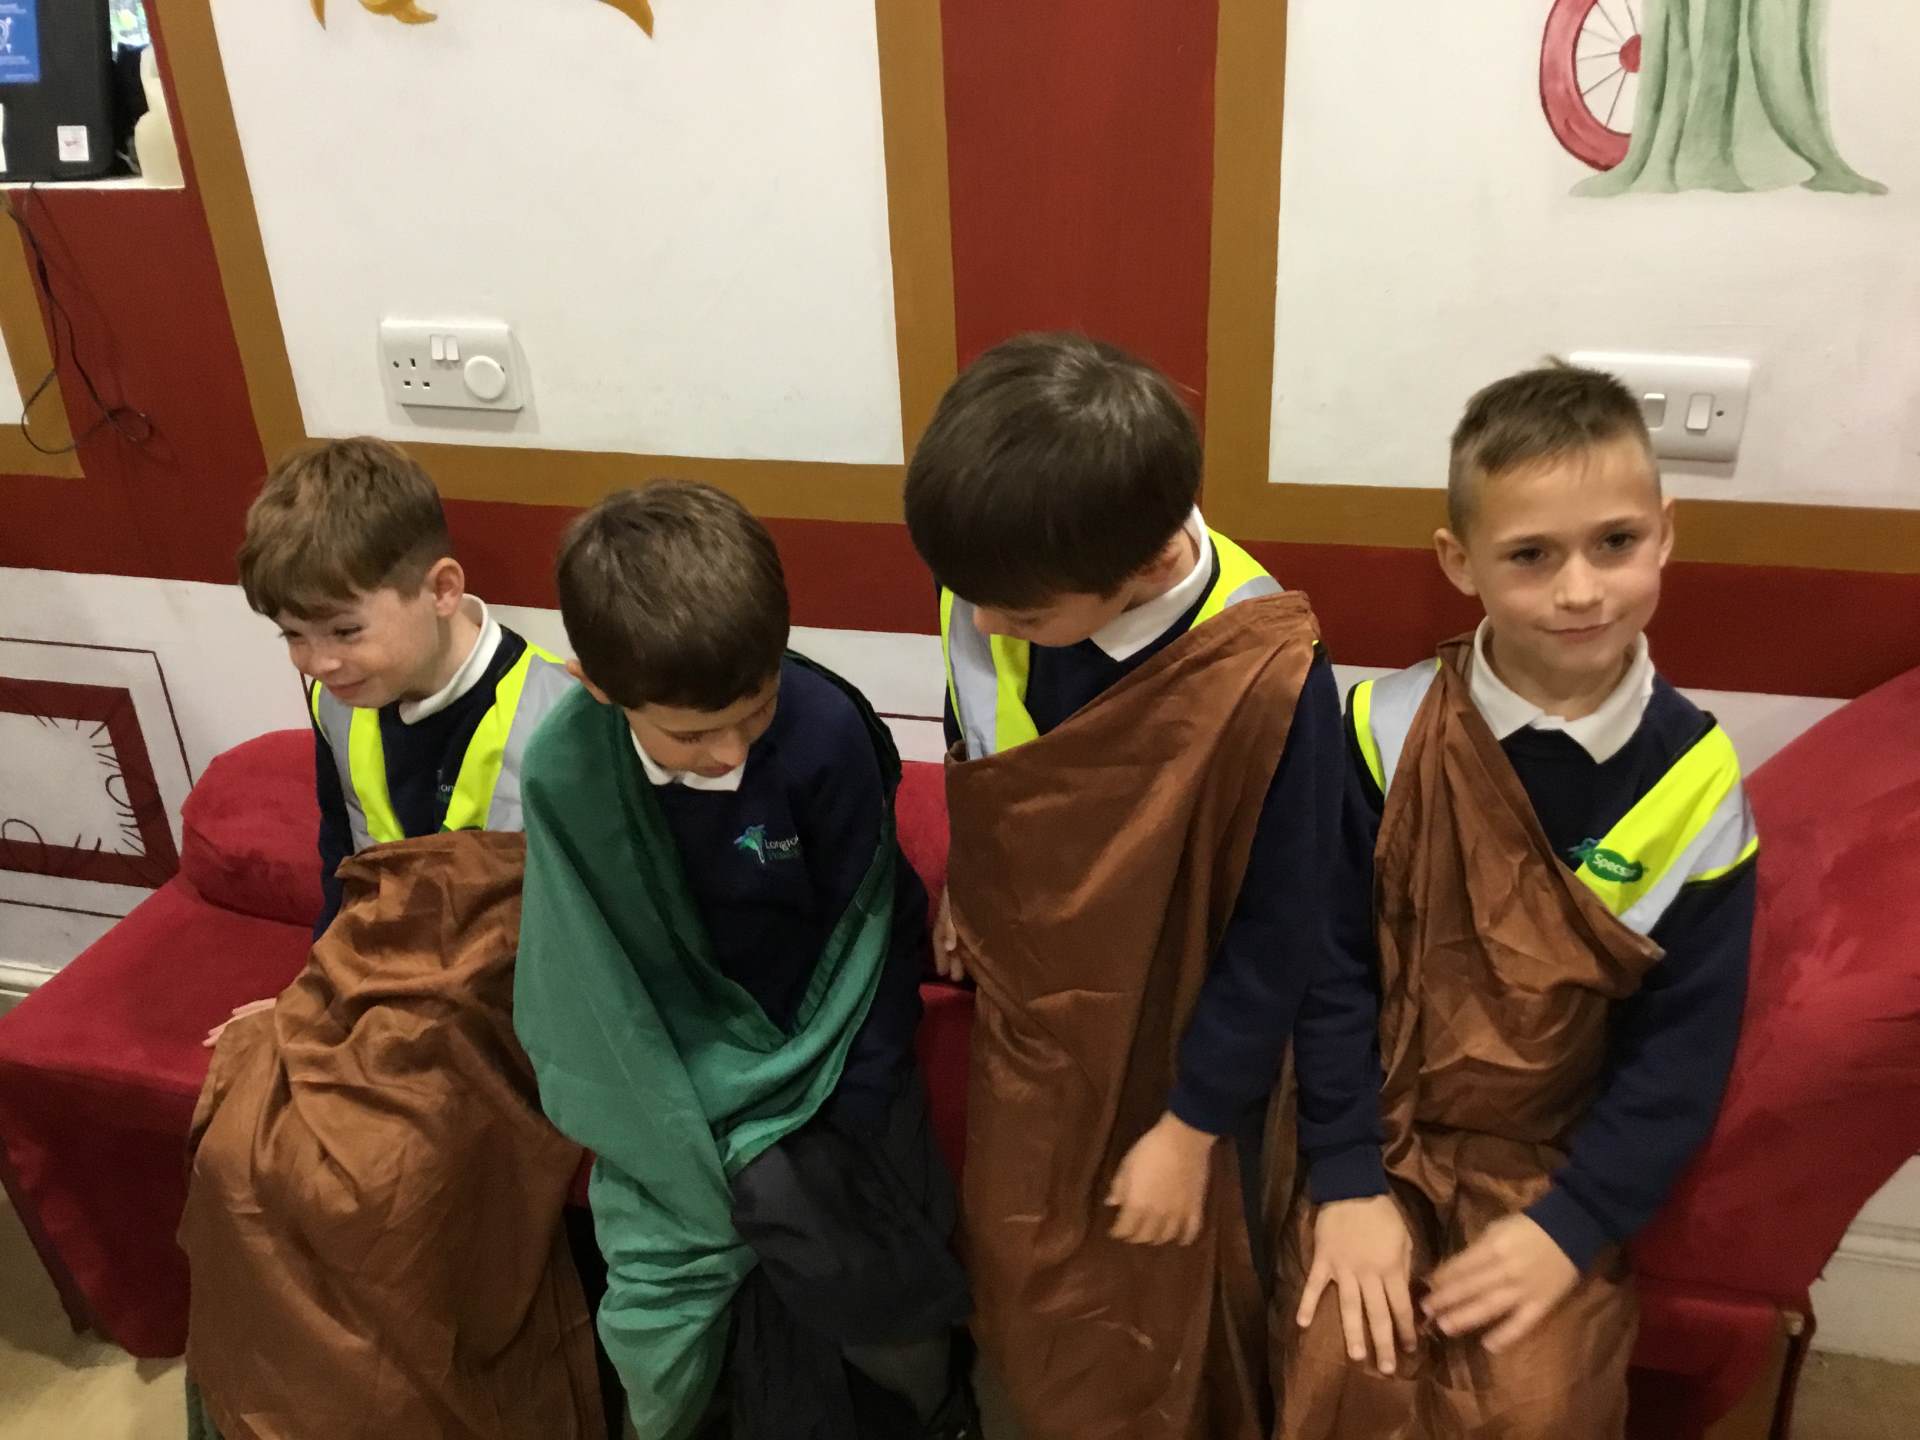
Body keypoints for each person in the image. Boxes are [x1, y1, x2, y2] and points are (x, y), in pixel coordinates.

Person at [905, 332, 1404, 1440]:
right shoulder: (997, 572)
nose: (983, 624)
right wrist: (967, 881)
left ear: (1142, 568)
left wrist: (1191, 1125)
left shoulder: (1264, 674)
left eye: (1023, 617)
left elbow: (1282, 934)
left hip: (1181, 1021)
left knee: (1154, 1308)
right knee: (1024, 1271)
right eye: (969, 596)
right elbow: (980, 742)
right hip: (1033, 1004)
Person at [1278, 363, 1756, 1438]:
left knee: (1538, 1402)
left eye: (1615, 542)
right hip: (1370, 1122)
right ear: (1461, 561)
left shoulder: (1696, 783)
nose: (1580, 591)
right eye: (1532, 555)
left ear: (1666, 534)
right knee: (1339, 1355)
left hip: (1551, 1155)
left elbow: (1684, 1043)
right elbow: (1329, 966)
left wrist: (1573, 1224)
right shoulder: (1382, 731)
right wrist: (1346, 1181)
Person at [512, 481, 975, 1440]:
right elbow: (584, 972)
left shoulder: (823, 729)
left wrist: (851, 1105)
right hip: (676, 1058)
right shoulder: (567, 766)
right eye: (689, 735)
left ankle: (934, 1408)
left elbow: (872, 927)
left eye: (753, 711)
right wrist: (692, 1111)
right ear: (596, 685)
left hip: (833, 1043)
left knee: (840, 1217)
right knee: (693, 1256)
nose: (729, 753)